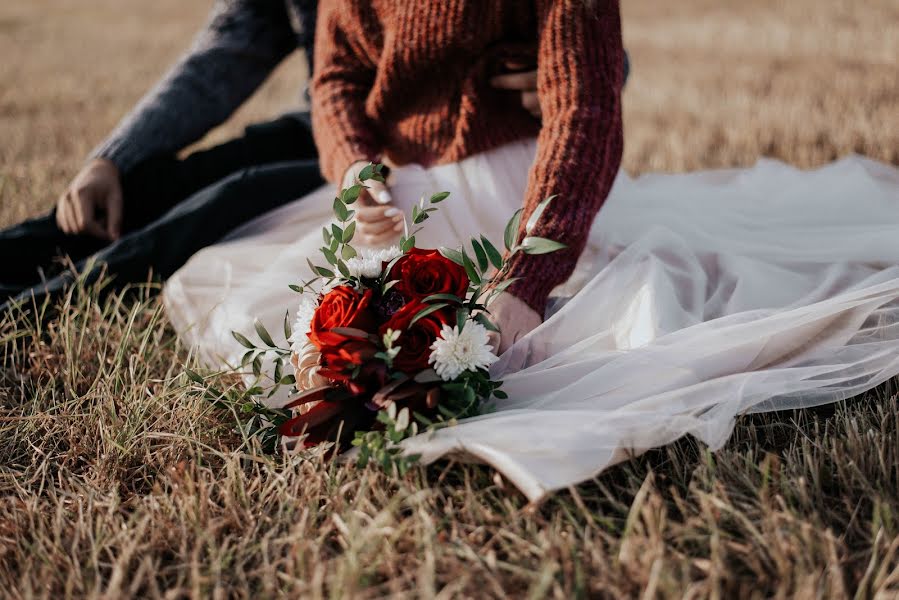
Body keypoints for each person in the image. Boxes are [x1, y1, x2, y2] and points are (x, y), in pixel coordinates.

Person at [165, 1, 899, 501]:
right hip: (400, 202)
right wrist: (357, 169)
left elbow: (583, 104)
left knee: (631, 322)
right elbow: (335, 79)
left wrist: (528, 276)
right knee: (292, 326)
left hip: (533, 191)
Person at [0, 0, 551, 313]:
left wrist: (563, 74)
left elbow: (581, 46)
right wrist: (114, 158)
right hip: (327, 124)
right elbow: (227, 51)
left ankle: (28, 308)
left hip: (420, 152)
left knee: (228, 201)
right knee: (181, 179)